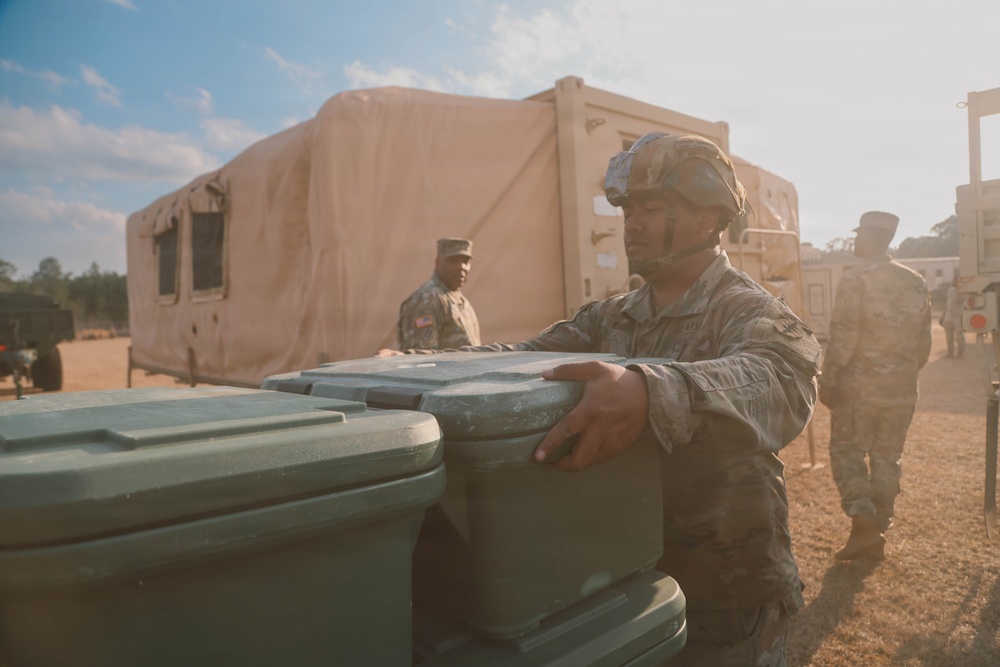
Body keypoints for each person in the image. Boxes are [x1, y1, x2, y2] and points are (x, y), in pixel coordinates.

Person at [382, 133, 821, 666]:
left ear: (707, 218)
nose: (631, 223)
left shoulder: (749, 309)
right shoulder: (610, 316)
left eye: (651, 208)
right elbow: (521, 357)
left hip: (725, 592)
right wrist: (416, 362)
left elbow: (781, 379)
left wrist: (651, 391)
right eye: (628, 210)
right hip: (625, 580)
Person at [819, 211, 931, 561]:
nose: (856, 240)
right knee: (887, 457)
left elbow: (843, 337)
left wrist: (828, 379)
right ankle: (877, 526)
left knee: (847, 452)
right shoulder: (916, 281)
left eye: (859, 234)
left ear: (870, 237)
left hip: (859, 389)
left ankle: (865, 527)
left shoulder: (856, 279)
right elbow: (924, 344)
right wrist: (898, 374)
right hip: (902, 388)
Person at [396, 237, 481, 350]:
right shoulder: (427, 301)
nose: (461, 267)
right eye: (454, 261)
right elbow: (423, 355)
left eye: (465, 262)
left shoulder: (459, 300)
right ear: (438, 263)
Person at [942, 276, 966, 358]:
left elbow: (960, 301)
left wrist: (959, 290)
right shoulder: (950, 290)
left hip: (958, 315)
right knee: (949, 336)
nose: (954, 282)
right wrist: (943, 315)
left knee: (959, 336)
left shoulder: (962, 291)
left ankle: (960, 352)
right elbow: (947, 302)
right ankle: (950, 352)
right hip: (949, 315)